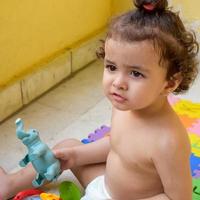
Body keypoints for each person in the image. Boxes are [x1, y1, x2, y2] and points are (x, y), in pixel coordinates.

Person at [0, 0, 199, 199]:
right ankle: (10, 184)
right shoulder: (124, 108)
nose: (118, 83)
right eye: (112, 67)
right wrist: (74, 157)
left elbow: (178, 198)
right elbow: (118, 145)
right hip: (105, 187)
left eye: (136, 73)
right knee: (67, 147)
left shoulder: (168, 141)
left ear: (170, 83)